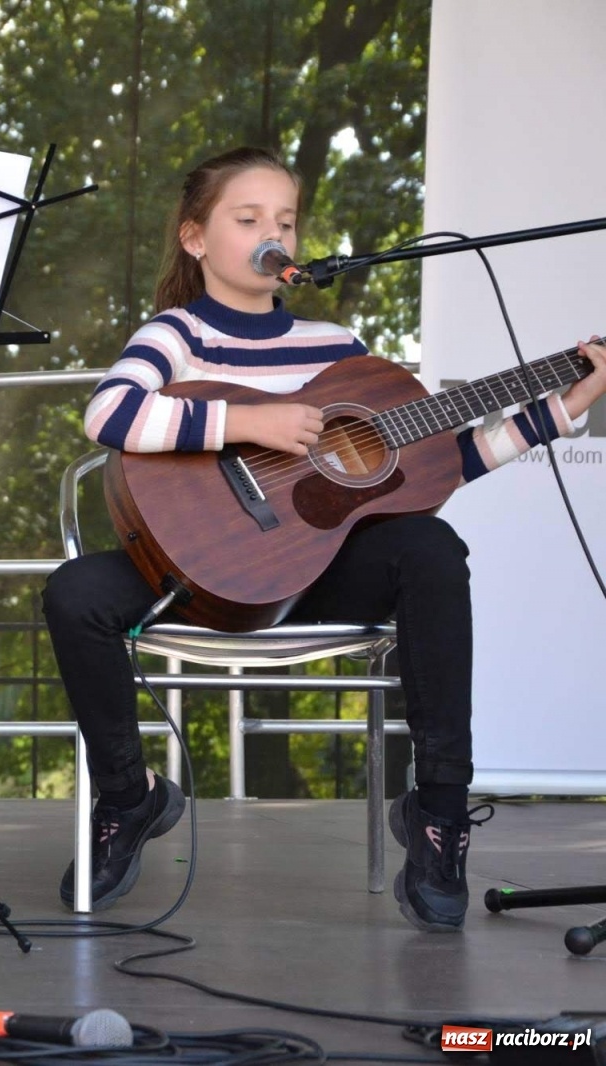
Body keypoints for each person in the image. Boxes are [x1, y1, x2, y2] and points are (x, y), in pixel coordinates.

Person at [41, 146, 606, 931]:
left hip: (322, 573)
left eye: (286, 220)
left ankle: (439, 810)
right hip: (199, 577)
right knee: (74, 595)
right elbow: (108, 415)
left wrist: (563, 407)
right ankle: (128, 799)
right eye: (249, 220)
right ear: (196, 238)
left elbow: (442, 465)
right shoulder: (176, 334)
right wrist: (251, 422)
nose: (274, 233)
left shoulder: (338, 351)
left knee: (432, 548)